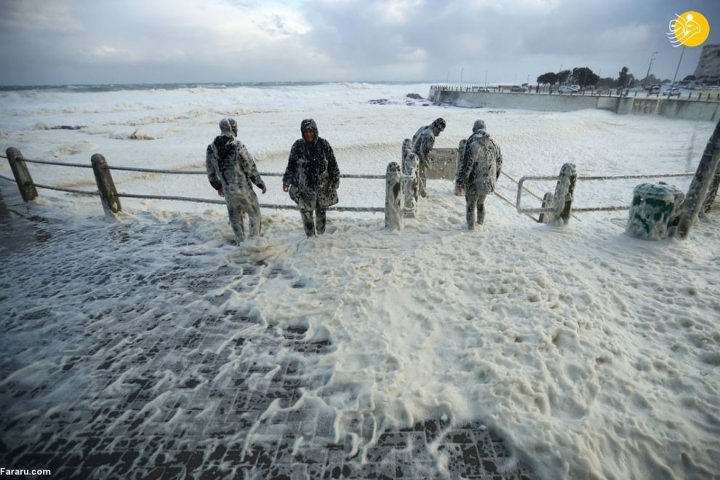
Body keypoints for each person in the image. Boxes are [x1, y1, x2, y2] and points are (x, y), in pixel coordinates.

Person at [206, 118, 267, 244]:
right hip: (243, 188)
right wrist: (260, 184)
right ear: (231, 128)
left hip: (228, 190)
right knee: (254, 214)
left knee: (235, 218)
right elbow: (249, 166)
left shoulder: (211, 148)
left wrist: (218, 186)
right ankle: (253, 244)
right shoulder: (237, 145)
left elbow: (210, 172)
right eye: (236, 127)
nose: (237, 129)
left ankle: (240, 245)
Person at [283, 119, 340, 237]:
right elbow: (291, 166)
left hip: (322, 189)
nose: (308, 134)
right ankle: (310, 239)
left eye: (311, 131)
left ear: (315, 131)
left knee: (321, 214)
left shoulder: (324, 145)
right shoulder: (297, 146)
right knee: (306, 214)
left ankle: (321, 237)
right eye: (305, 131)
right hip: (304, 189)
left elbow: (333, 165)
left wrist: (335, 181)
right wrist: (286, 180)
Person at [455, 119, 503, 230]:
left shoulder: (472, 144)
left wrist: (461, 181)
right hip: (487, 182)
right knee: (481, 203)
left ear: (474, 129)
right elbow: (499, 163)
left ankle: (470, 228)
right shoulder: (494, 144)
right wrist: (494, 178)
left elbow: (467, 166)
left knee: (471, 205)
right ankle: (480, 224)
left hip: (474, 182)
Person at [411, 117, 445, 197]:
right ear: (436, 127)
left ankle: (419, 193)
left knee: (415, 176)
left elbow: (414, 138)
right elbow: (423, 152)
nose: (439, 133)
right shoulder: (429, 135)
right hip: (418, 158)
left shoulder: (423, 128)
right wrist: (428, 164)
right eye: (439, 131)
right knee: (421, 176)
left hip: (412, 155)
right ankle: (422, 194)